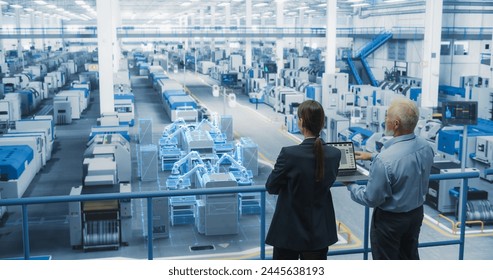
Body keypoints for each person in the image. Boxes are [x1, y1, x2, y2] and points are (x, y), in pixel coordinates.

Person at [345, 98, 434, 260]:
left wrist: (350, 184)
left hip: (390, 223)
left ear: (396, 124)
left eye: (387, 117)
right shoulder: (426, 147)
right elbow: (404, 163)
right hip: (415, 215)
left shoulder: (385, 160)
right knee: (409, 258)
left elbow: (371, 198)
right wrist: (372, 156)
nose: (385, 120)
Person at [265, 100, 341, 260]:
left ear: (301, 122)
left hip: (288, 233)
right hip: (319, 233)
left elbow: (271, 187)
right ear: (322, 123)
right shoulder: (335, 154)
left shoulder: (289, 154)